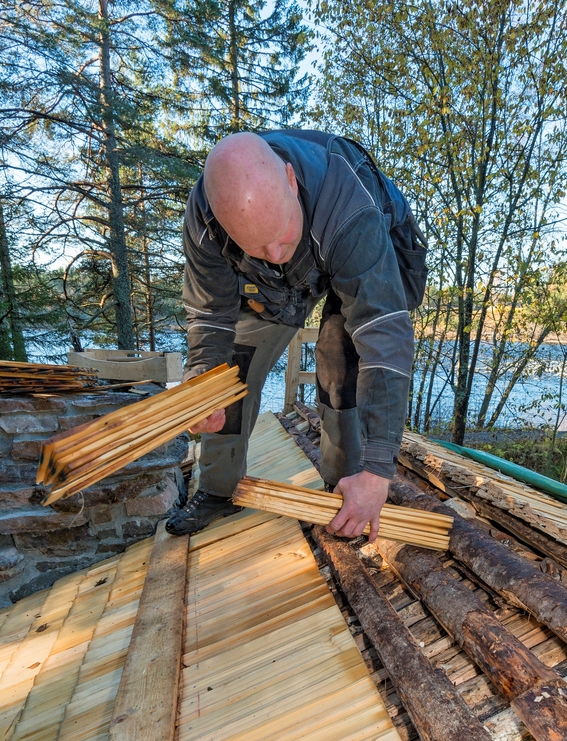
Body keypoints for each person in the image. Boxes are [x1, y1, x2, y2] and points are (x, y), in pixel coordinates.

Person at [165, 129, 427, 539]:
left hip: (362, 259)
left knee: (339, 359)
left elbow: (384, 336)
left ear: (290, 179)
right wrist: (201, 378)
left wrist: (379, 472)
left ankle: (347, 485)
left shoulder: (350, 210)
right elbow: (211, 314)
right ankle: (217, 488)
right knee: (229, 370)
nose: (273, 253)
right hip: (274, 287)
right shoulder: (206, 220)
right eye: (256, 244)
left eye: (281, 234)